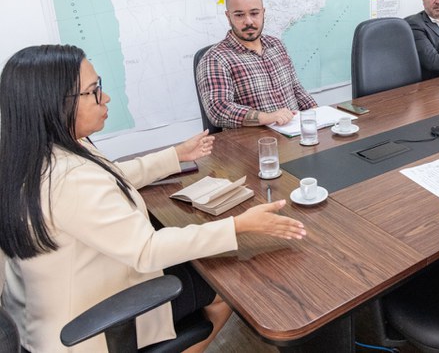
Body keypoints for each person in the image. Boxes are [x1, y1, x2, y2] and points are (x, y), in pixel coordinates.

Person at [0, 45, 307, 352]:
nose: (105, 98)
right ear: (54, 104)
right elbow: (148, 250)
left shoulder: (34, 153)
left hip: (48, 308)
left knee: (205, 264)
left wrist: (175, 155)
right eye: (94, 91)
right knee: (227, 283)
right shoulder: (70, 179)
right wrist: (238, 225)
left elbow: (111, 175)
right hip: (93, 320)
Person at [196, 0, 317, 129]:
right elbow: (219, 110)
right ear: (228, 17)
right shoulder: (215, 59)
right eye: (239, 15)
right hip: (256, 143)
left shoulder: (276, 45)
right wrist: (267, 118)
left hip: (296, 133)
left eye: (254, 13)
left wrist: (317, 113)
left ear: (263, 13)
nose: (248, 21)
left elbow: (296, 88)